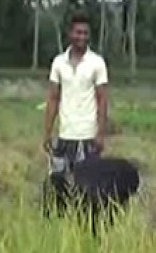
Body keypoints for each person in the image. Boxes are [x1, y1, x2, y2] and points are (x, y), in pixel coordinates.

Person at [42, 11, 109, 203]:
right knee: (59, 184)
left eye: (86, 33)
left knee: (88, 186)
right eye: (78, 32)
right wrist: (47, 133)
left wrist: (100, 134)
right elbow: (53, 98)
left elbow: (102, 99)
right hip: (65, 134)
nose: (82, 37)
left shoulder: (97, 63)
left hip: (88, 135)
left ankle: (86, 219)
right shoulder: (58, 62)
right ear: (70, 33)